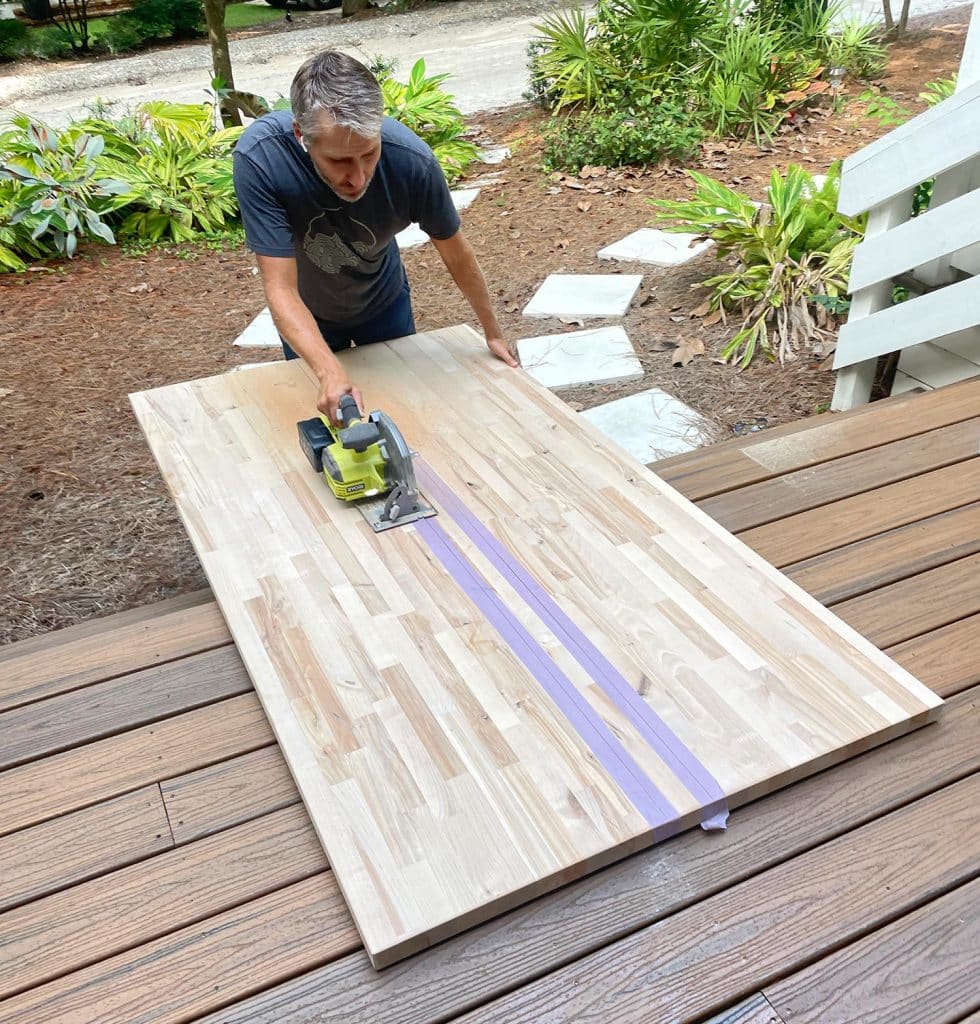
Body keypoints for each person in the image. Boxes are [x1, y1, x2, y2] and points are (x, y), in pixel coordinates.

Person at [233, 50, 518, 425]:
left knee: (406, 416)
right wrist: (328, 371)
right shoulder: (261, 159)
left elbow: (455, 252)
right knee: (331, 420)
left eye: (369, 154)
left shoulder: (412, 162)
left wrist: (492, 331)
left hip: (385, 304)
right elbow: (280, 288)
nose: (358, 177)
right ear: (301, 135)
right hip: (308, 315)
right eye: (339, 161)